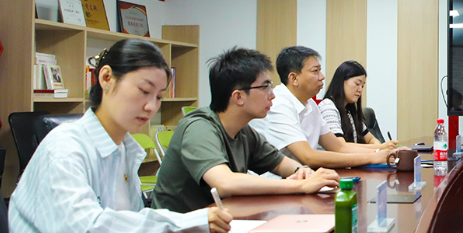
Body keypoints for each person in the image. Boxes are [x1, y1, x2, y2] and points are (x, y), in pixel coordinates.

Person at [7, 39, 233, 233]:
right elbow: (87, 228)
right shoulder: (65, 146)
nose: (151, 107)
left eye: (159, 97)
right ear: (107, 78)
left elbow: (129, 223)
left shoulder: (125, 148)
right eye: (144, 91)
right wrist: (184, 223)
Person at [152, 47, 339, 213]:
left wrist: (306, 173)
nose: (272, 95)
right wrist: (301, 186)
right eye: (265, 87)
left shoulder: (243, 131)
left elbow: (283, 164)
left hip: (218, 223)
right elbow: (225, 183)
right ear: (238, 97)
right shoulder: (198, 128)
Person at [250, 46, 396, 168]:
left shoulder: (311, 104)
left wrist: (380, 151)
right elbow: (308, 157)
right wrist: (373, 157)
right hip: (274, 185)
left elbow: (339, 147)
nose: (322, 76)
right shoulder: (278, 104)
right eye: (315, 71)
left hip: (303, 179)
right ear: (294, 78)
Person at [317, 60, 398, 147]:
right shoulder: (328, 107)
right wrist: (379, 147)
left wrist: (378, 148)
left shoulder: (349, 110)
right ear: (341, 81)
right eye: (357, 83)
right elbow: (341, 147)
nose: (360, 90)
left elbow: (371, 139)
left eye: (362, 86)